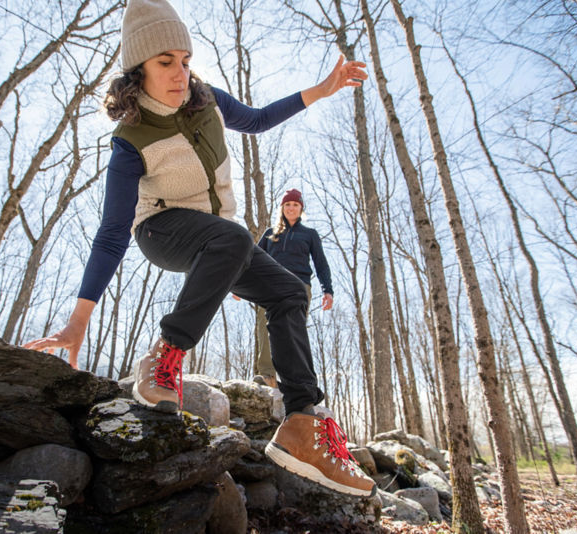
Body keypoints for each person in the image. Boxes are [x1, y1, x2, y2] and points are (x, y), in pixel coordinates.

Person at [24, 0, 375, 497]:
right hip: (162, 231)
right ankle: (166, 354)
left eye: (185, 59)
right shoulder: (129, 140)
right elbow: (110, 234)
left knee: (289, 292)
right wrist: (79, 319)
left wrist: (323, 87)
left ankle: (301, 422)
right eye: (165, 61)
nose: (180, 72)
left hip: (221, 239)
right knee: (232, 236)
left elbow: (255, 119)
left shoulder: (206, 98)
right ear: (138, 70)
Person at [251, 189, 333, 389]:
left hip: (299, 286)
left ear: (300, 208)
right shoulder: (270, 234)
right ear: (282, 208)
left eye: (295, 205)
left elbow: (321, 263)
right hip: (270, 285)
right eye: (287, 204)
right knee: (265, 327)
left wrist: (327, 290)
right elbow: (253, 258)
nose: (291, 208)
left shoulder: (309, 234)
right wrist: (239, 282)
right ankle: (268, 375)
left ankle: (294, 381)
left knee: (293, 331)